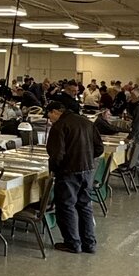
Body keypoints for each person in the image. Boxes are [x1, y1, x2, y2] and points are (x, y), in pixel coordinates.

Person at [46, 96, 98, 255]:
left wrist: (54, 169)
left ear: (55, 112)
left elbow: (57, 154)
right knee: (84, 205)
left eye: (49, 116)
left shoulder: (59, 126)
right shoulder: (87, 122)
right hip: (87, 170)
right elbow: (99, 148)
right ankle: (89, 243)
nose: (49, 120)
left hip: (68, 172)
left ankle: (73, 243)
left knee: (66, 206)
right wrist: (86, 158)